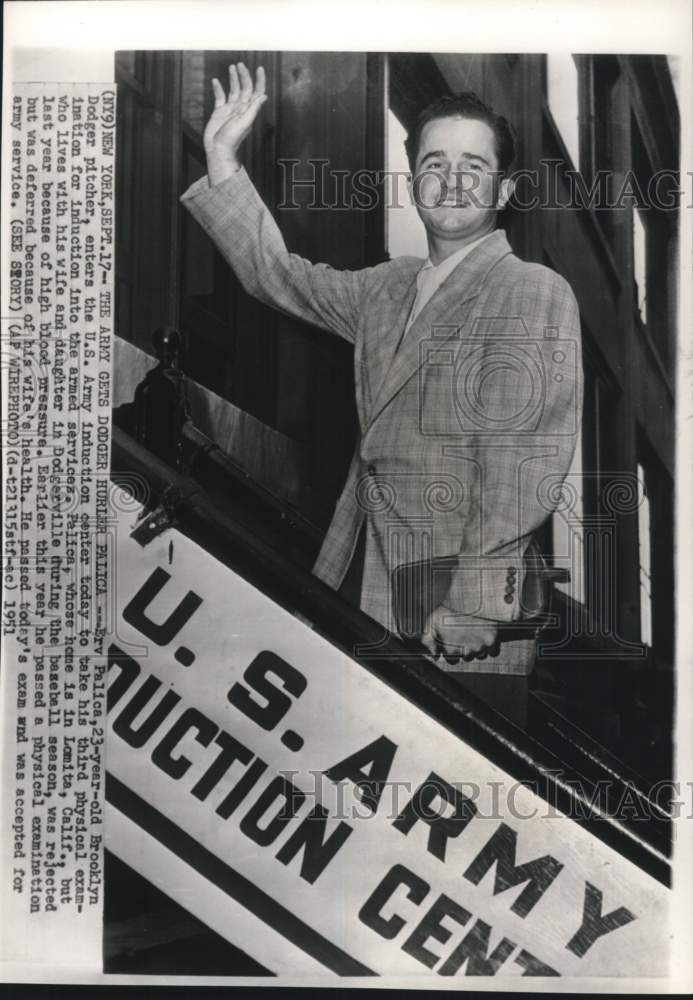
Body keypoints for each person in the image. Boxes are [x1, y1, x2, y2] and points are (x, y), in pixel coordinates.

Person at [180, 63, 583, 727]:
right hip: (360, 585)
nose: (450, 181)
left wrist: (476, 604)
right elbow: (277, 277)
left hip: (453, 621)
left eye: (472, 166)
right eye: (432, 163)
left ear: (504, 188)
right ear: (412, 179)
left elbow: (523, 463)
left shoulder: (529, 289)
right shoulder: (386, 289)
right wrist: (222, 159)